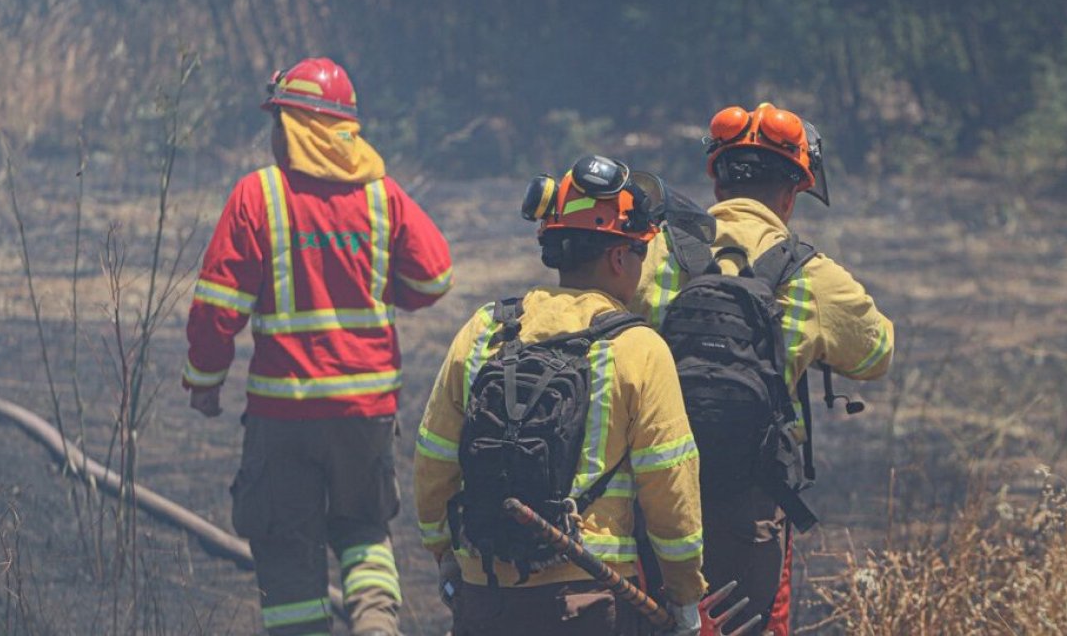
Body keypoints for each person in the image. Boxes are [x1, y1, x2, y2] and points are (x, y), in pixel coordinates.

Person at [181, 57, 453, 636]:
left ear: (293, 127)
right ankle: (377, 628)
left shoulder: (260, 195)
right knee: (365, 530)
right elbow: (433, 278)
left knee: (284, 545)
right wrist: (379, 281)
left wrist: (205, 382)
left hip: (285, 414)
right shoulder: (382, 196)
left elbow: (216, 309)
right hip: (367, 414)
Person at [631, 103, 894, 636]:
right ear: (793, 190)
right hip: (751, 499)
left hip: (650, 488)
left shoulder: (652, 254)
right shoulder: (811, 273)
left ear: (717, 180)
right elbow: (875, 354)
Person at [414, 155, 706, 636]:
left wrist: (447, 555)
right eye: (640, 253)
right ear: (618, 257)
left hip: (486, 595)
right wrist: (684, 596)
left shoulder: (485, 330)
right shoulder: (638, 348)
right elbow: (670, 489)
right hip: (591, 600)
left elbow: (434, 459)